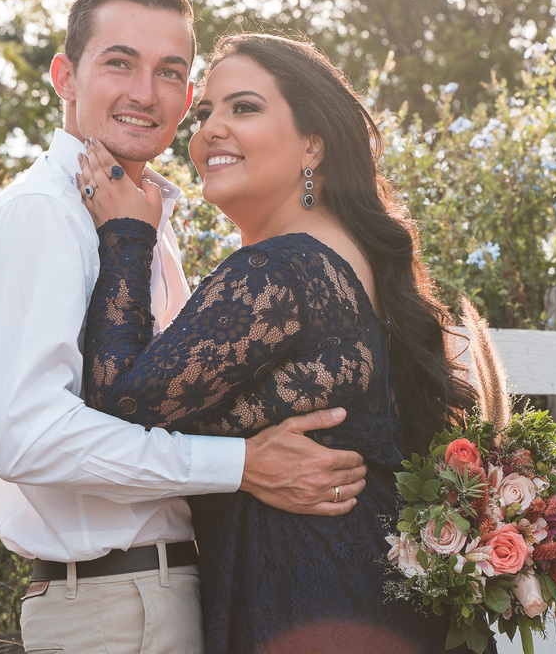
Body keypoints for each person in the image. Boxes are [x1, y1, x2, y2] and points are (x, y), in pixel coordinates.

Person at [0, 0, 367, 654]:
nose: (145, 93)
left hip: (160, 598)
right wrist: (239, 465)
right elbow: (31, 438)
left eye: (170, 72)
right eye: (119, 62)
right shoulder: (42, 216)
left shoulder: (137, 219)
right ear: (65, 76)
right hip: (114, 608)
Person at [74, 32, 483, 653]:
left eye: (243, 107)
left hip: (309, 601)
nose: (210, 128)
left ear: (312, 145)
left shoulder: (281, 271)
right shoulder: (350, 263)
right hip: (359, 601)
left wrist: (129, 236)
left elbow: (114, 400)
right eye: (206, 110)